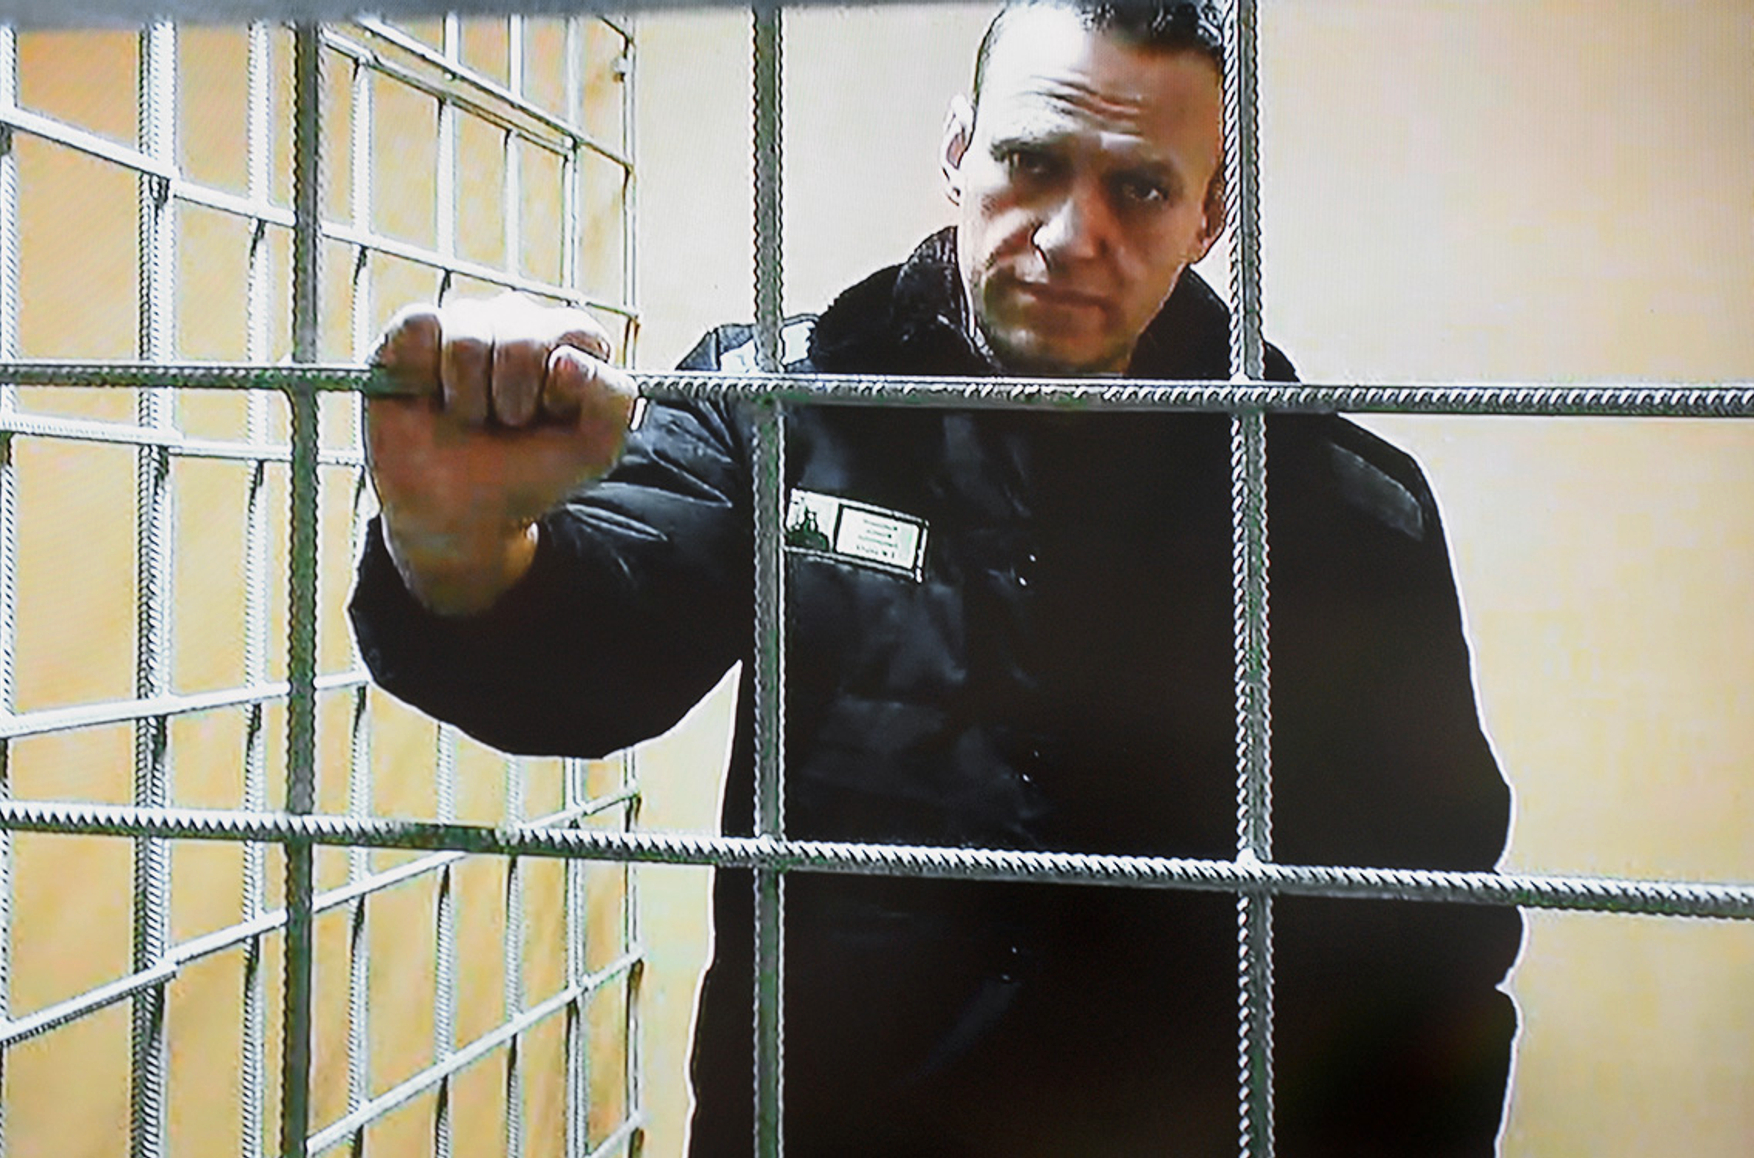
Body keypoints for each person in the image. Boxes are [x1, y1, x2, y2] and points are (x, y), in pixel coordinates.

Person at [351, 2, 1522, 1154]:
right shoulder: (778, 404)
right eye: (1031, 161)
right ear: (959, 152)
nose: (1070, 235)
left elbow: (1422, 943)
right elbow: (596, 656)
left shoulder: (1334, 506)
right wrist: (456, 539)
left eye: (1137, 188)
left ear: (1208, 214)